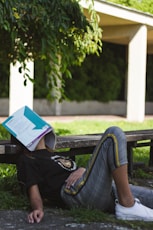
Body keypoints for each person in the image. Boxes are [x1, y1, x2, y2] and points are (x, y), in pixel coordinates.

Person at [16, 126, 153, 224]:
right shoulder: (28, 159)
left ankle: (126, 204)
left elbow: (70, 170)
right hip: (77, 194)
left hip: (97, 188)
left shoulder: (51, 154)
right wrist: (37, 209)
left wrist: (81, 169)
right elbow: (33, 192)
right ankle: (127, 205)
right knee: (113, 134)